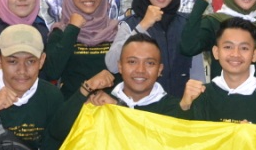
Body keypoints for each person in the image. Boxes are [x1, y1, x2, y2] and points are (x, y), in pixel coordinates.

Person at [51, 33, 190, 143]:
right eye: (132, 62)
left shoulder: (174, 108)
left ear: (160, 70)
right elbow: (57, 132)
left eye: (150, 63)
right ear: (120, 67)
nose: (140, 70)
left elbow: (157, 145)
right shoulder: (100, 100)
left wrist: (119, 108)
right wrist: (85, 89)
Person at [106, 0, 204, 98]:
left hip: (181, 108)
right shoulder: (130, 24)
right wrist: (143, 25)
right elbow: (112, 65)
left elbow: (198, 73)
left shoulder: (187, 23)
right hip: (142, 111)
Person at [179, 18, 256, 129]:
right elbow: (184, 140)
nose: (235, 54)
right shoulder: (199, 96)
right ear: (216, 52)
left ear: (255, 55)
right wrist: (184, 107)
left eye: (244, 48)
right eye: (228, 47)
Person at [41, 0, 117, 99]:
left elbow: (125, 76)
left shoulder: (115, 31)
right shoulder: (60, 32)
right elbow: (52, 72)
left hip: (109, 111)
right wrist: (73, 28)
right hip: (73, 111)